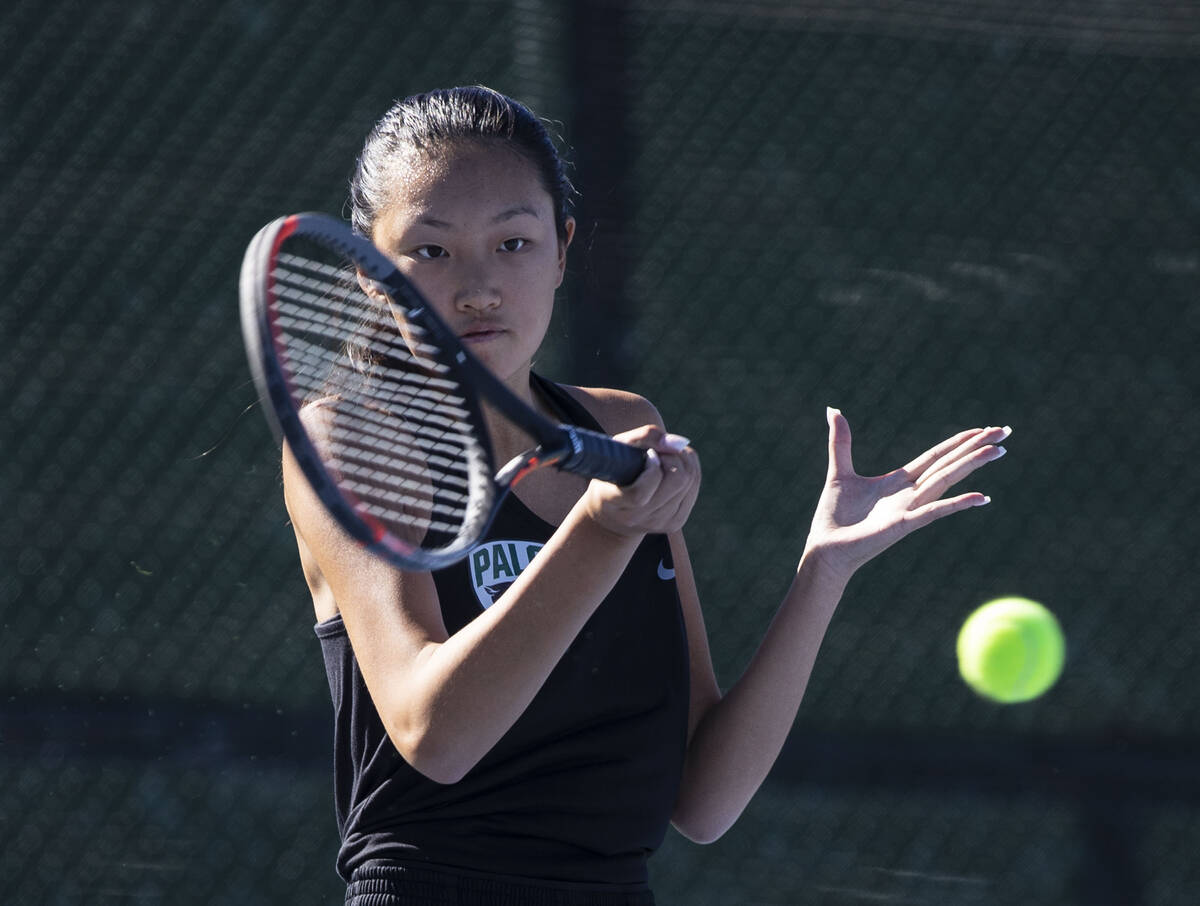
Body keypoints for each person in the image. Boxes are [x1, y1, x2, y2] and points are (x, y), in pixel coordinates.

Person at [281, 85, 1010, 905]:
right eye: (433, 251)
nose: (479, 286)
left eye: (514, 244)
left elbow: (702, 797)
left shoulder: (624, 427)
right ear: (372, 276)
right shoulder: (351, 437)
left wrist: (823, 572)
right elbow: (434, 733)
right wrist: (598, 530)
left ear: (562, 249)